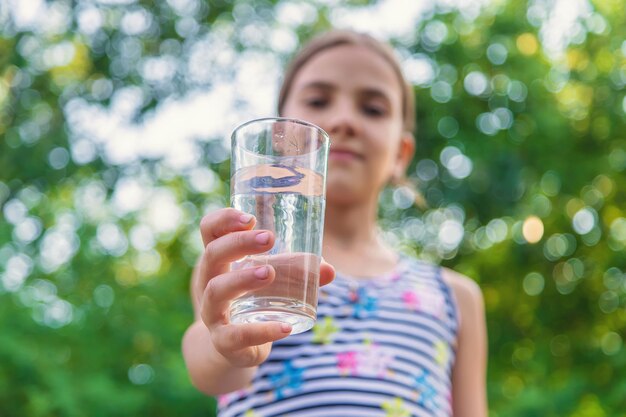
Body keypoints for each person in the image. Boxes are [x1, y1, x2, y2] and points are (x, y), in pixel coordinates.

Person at [182, 29, 488, 417]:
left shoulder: (455, 297)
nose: (344, 120)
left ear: (401, 153)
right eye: (318, 100)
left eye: (373, 109)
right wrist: (227, 343)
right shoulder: (243, 268)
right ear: (278, 138)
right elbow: (211, 369)